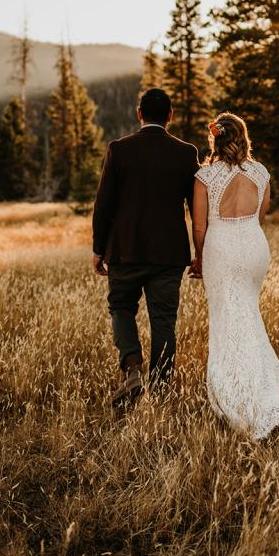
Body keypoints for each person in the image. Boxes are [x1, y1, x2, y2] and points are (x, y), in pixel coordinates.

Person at [191, 112, 279, 442]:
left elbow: (200, 226)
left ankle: (243, 395)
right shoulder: (261, 173)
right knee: (247, 313)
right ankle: (262, 386)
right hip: (252, 247)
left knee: (227, 319)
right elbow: (261, 216)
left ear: (215, 139)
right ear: (243, 137)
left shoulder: (205, 176)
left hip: (221, 248)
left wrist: (200, 258)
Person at [92, 87, 199, 405]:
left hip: (125, 250)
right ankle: (163, 389)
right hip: (169, 254)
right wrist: (200, 252)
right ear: (170, 115)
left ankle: (132, 368)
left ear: (139, 114)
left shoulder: (119, 149)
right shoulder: (185, 152)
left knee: (122, 308)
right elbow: (197, 209)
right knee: (163, 319)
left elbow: (104, 204)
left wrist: (99, 249)